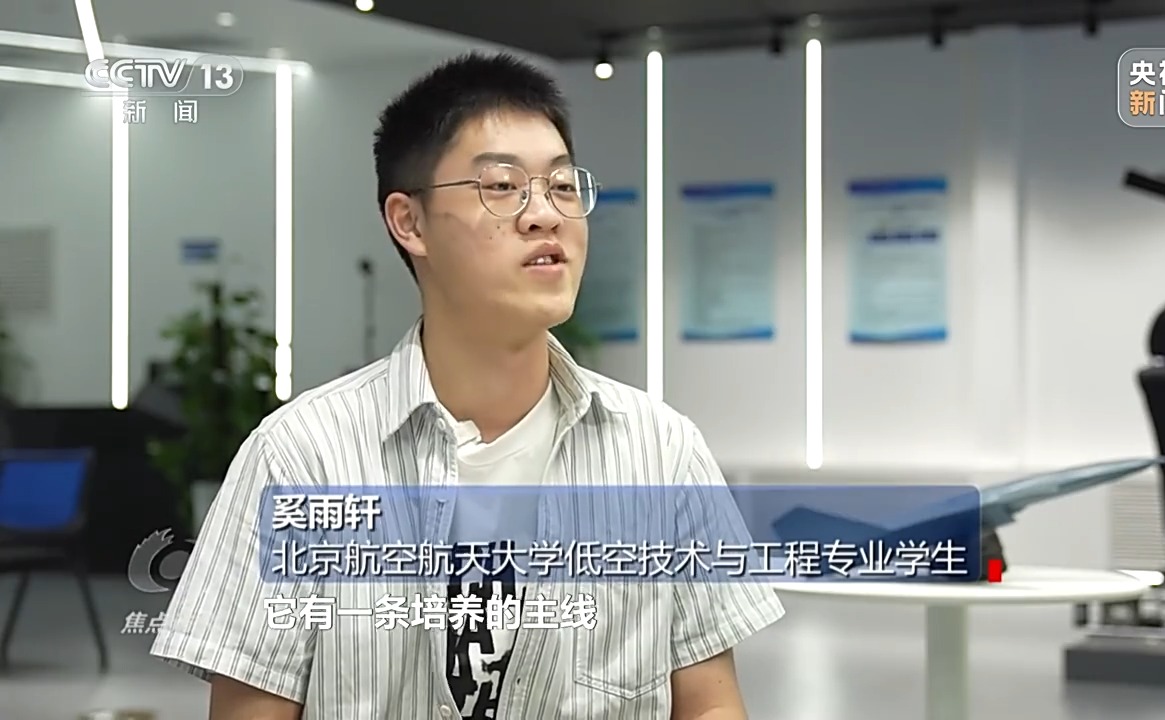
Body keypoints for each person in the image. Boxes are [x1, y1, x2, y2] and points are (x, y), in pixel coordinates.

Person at [151, 51, 784, 719]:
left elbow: (710, 706)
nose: (545, 215)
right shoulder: (301, 459)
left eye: (563, 185)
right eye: (502, 186)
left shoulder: (661, 453)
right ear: (410, 222)